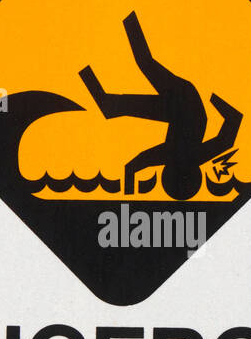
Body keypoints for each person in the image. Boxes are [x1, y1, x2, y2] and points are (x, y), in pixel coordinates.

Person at [80, 11, 242, 201]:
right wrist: (214, 97)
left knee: (111, 105)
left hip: (180, 106)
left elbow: (233, 122)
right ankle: (123, 13)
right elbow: (233, 125)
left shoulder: (179, 156)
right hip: (184, 101)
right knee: (144, 64)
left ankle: (81, 57)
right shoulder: (172, 157)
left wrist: (214, 101)